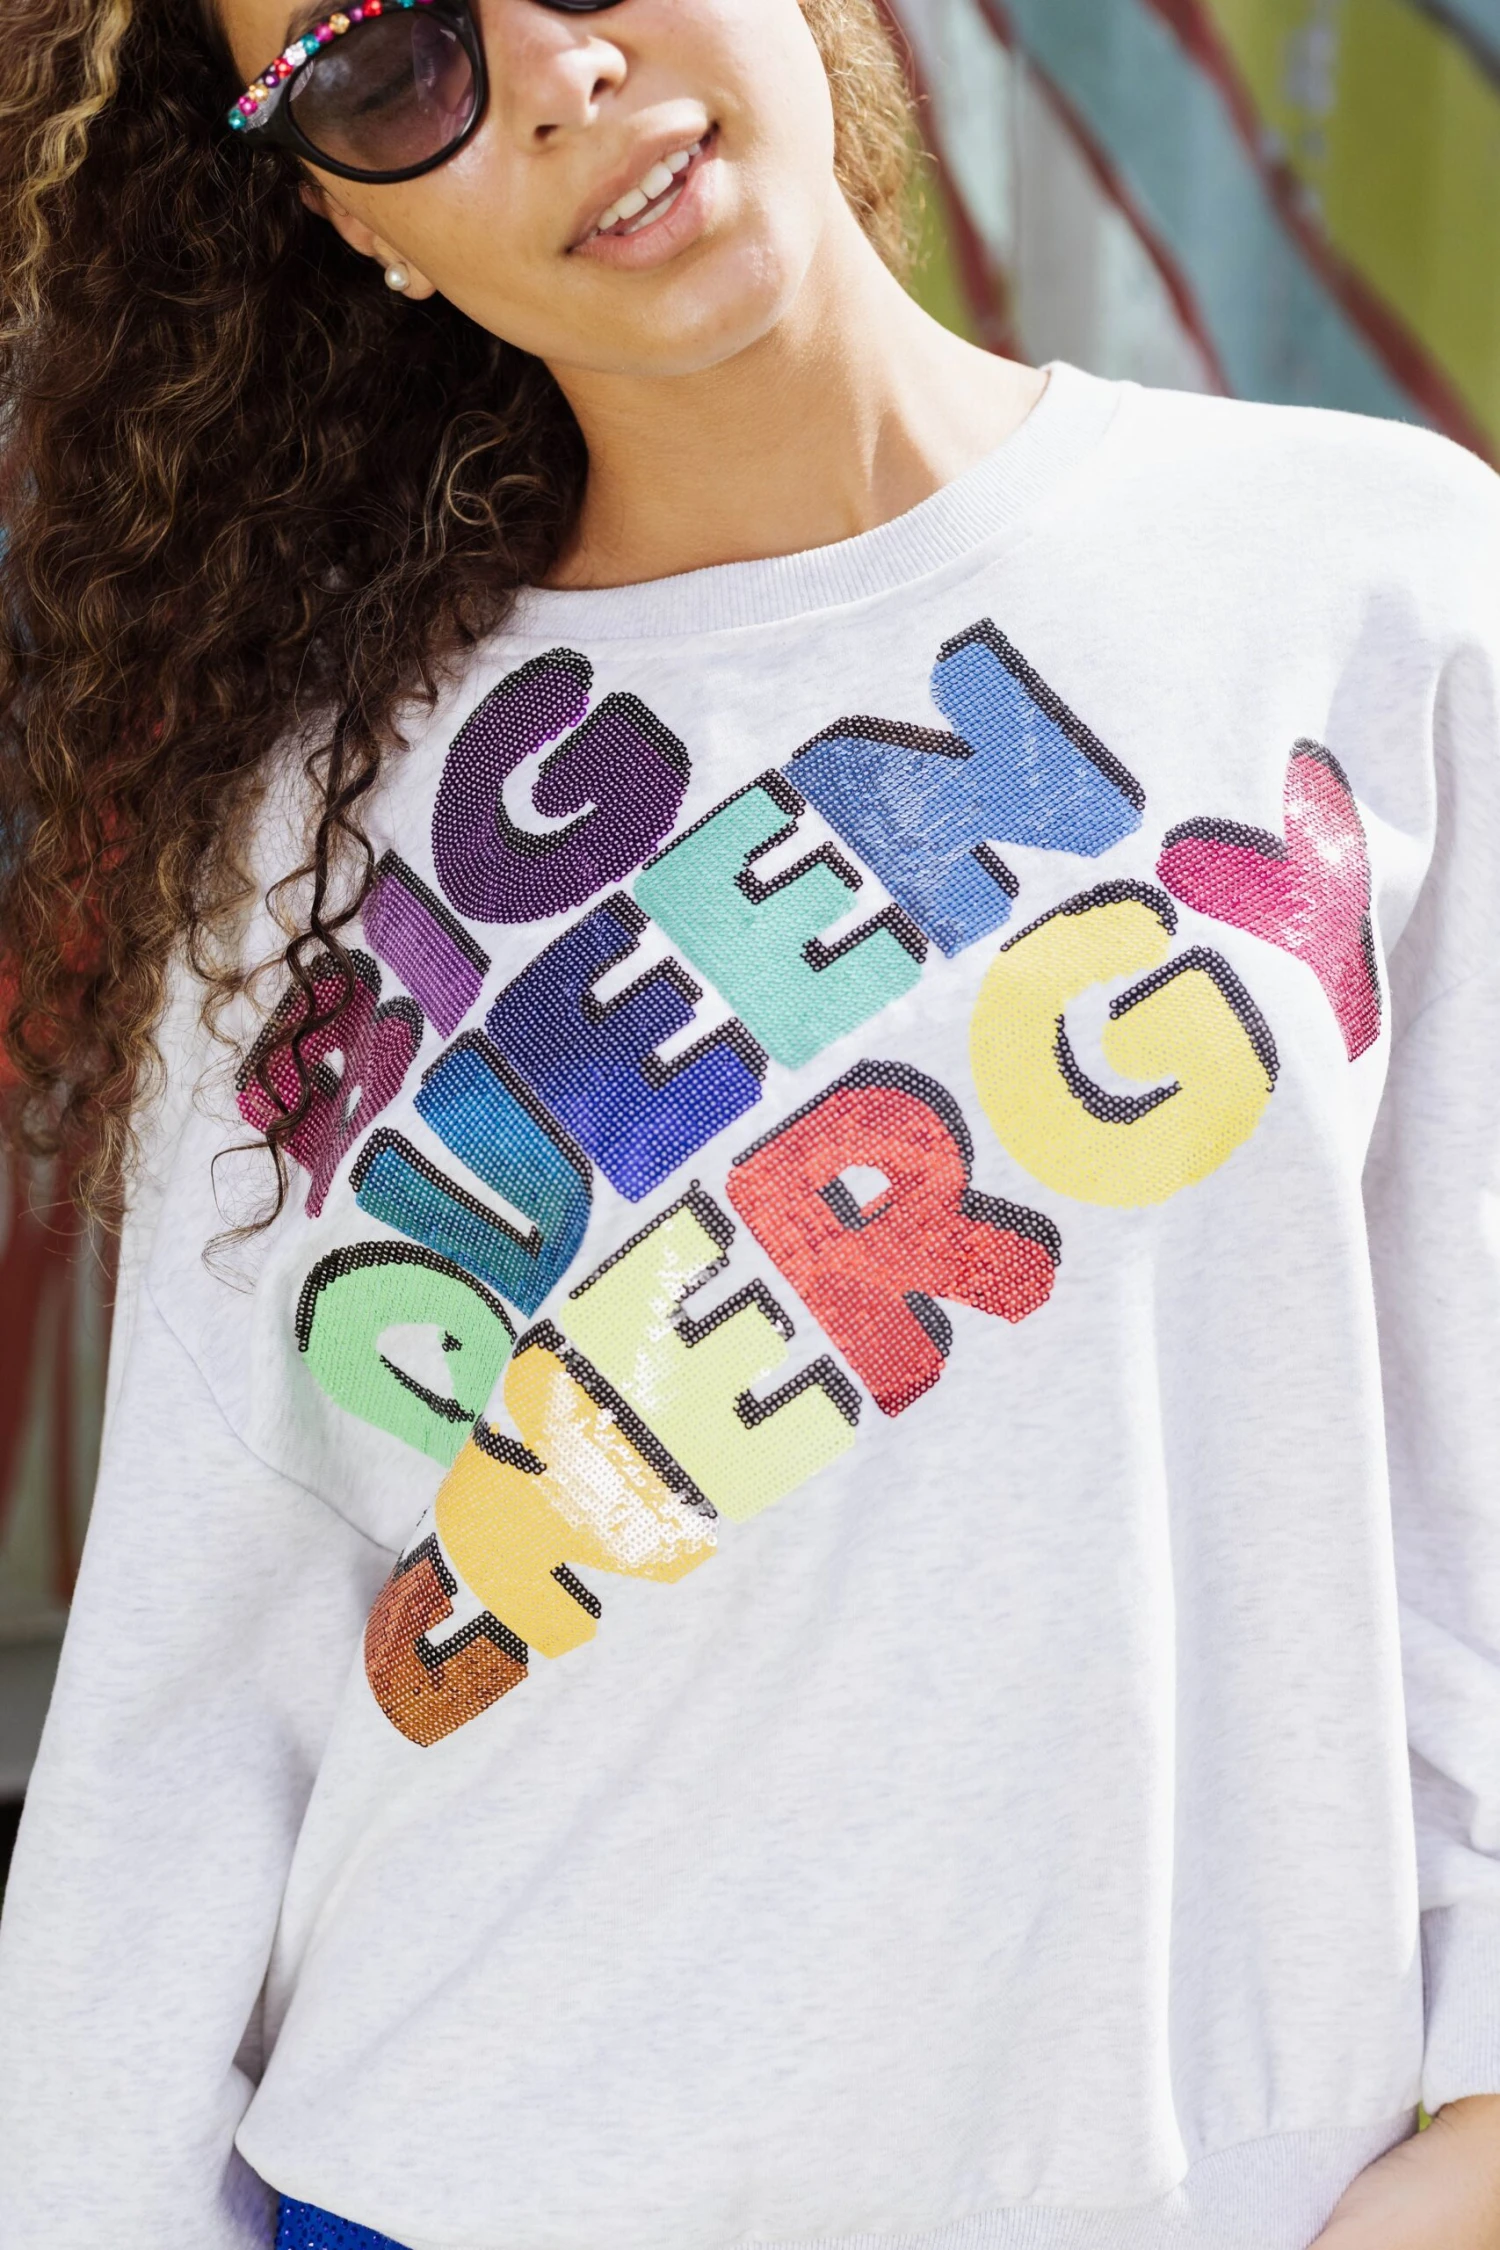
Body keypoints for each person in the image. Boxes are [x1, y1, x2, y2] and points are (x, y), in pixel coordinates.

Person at [1, 1, 1498, 2245]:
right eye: (382, 68)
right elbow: (195, 1687)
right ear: (353, 220)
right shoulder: (310, 835)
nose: (551, 72)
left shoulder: (1371, 578)